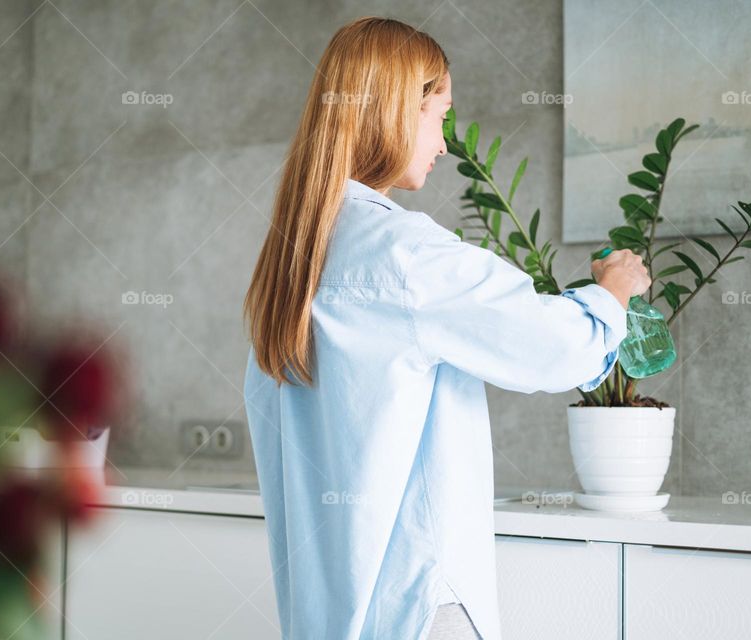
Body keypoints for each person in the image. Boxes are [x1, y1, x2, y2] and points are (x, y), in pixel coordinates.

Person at [242, 16, 650, 640]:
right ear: (395, 111)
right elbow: (554, 347)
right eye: (439, 115)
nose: (443, 141)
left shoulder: (292, 263)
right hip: (419, 605)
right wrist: (610, 294)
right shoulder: (403, 253)